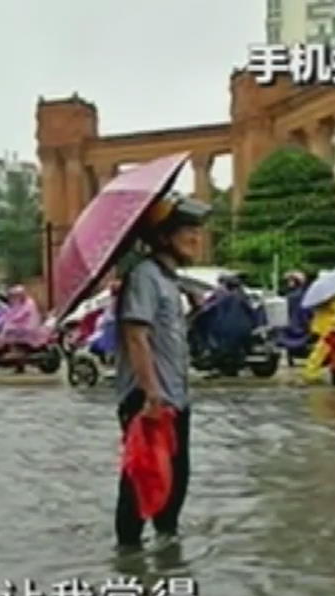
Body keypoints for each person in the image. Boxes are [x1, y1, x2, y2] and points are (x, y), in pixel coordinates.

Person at [114, 192, 210, 552]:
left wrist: (194, 309)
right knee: (142, 482)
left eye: (198, 233)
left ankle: (168, 556)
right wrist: (151, 395)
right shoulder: (144, 276)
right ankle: (129, 562)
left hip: (175, 398)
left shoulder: (169, 280)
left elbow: (166, 337)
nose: (196, 240)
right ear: (163, 236)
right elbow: (135, 336)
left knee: (175, 480)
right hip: (149, 400)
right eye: (188, 232)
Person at [300, 290, 335, 384]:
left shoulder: (323, 298)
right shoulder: (329, 298)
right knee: (324, 350)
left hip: (330, 327)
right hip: (328, 327)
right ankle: (311, 372)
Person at [0, 285, 45, 372]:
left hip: (28, 328)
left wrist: (8, 321)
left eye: (15, 295)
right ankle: (17, 362)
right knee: (6, 328)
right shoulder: (21, 303)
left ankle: (11, 351)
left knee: (8, 330)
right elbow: (11, 315)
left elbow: (17, 316)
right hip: (26, 327)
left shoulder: (28, 303)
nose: (13, 298)